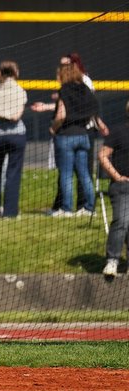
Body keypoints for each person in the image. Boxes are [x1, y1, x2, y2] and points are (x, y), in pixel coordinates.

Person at [49, 63, 100, 217]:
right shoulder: (85, 89)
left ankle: (66, 208)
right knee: (84, 173)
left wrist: (53, 128)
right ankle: (89, 208)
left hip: (66, 136)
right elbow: (94, 109)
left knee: (66, 174)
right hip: (84, 135)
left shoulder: (64, 90)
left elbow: (61, 115)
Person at [0, 61, 28, 219]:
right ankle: (10, 212)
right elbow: (17, 115)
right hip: (17, 135)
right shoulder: (19, 90)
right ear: (16, 72)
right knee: (13, 174)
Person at [99, 99, 129, 277]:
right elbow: (102, 156)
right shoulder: (118, 132)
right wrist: (117, 177)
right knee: (122, 221)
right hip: (122, 187)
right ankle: (112, 261)